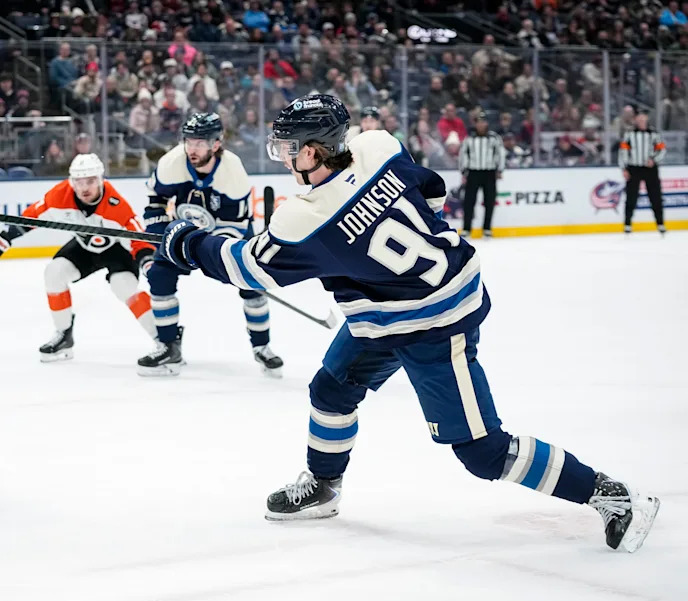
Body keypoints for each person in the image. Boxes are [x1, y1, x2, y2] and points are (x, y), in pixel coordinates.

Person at [154, 94, 660, 552]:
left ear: (313, 151)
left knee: (482, 451)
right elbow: (431, 187)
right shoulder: (377, 144)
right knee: (331, 390)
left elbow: (248, 266)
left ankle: (610, 495)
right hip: (389, 312)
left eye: (288, 148)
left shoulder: (305, 216)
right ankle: (324, 486)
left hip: (436, 322)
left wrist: (185, 243)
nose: (283, 158)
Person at [138, 112, 284, 378]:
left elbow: (236, 227)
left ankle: (262, 346)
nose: (192, 148)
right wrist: (160, 235)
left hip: (224, 234)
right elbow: (154, 200)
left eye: (200, 142)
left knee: (253, 283)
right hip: (183, 234)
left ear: (216, 143)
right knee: (159, 275)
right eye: (189, 141)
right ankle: (168, 345)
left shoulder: (232, 171)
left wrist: (204, 250)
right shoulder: (172, 162)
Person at [0, 154, 157, 361]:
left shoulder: (116, 206)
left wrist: (147, 261)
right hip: (84, 248)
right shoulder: (60, 195)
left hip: (117, 252)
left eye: (90, 181)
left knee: (123, 286)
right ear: (72, 181)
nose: (84, 188)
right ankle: (63, 335)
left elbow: (138, 238)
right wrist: (2, 240)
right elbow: (32, 217)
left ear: (100, 180)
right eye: (79, 182)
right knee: (54, 273)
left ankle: (165, 339)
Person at [458, 113, 505, 237]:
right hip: (473, 173)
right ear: (475, 124)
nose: (481, 124)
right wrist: (463, 172)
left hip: (489, 173)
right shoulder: (469, 138)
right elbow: (463, 155)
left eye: (483, 122)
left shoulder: (494, 138)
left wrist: (499, 170)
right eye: (478, 122)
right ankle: (467, 228)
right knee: (469, 201)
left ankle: (487, 228)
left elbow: (500, 154)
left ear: (487, 123)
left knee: (489, 201)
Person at [619, 113, 666, 235]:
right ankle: (627, 224)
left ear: (646, 119)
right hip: (634, 168)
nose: (641, 121)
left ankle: (660, 223)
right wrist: (624, 168)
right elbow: (623, 151)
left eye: (643, 119)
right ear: (635, 120)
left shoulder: (654, 133)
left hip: (650, 169)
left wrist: (654, 160)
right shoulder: (629, 134)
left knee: (655, 196)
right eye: (638, 119)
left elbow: (662, 149)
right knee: (631, 197)